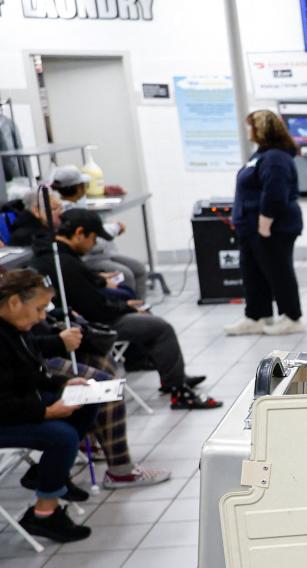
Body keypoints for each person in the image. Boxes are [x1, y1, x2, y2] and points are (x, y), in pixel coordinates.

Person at [34, 209, 220, 410]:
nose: (94, 245)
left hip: (84, 316)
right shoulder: (66, 263)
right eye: (94, 239)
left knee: (142, 312)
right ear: (80, 233)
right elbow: (94, 308)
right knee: (160, 327)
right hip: (90, 324)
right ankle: (178, 390)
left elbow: (85, 289)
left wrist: (115, 297)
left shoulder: (53, 255)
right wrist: (125, 308)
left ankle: (173, 377)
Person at [0, 269, 99, 543]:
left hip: (18, 404)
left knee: (86, 402)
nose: (43, 317)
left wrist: (63, 384)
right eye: (39, 309)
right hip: (6, 415)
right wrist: (46, 412)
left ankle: (49, 473)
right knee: (61, 436)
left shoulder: (15, 329)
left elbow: (30, 372)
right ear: (14, 302)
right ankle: (44, 515)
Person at [29, 311, 170, 489]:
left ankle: (88, 441)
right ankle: (120, 469)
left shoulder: (23, 321)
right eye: (39, 309)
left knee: (103, 362)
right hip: (34, 369)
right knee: (105, 389)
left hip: (39, 353)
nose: (41, 315)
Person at [226, 109, 305, 336]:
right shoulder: (261, 155)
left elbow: (275, 194)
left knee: (278, 271)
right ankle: (257, 316)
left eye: (251, 126)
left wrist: (264, 224)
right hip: (250, 226)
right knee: (253, 273)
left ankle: (292, 317)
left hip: (272, 227)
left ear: (261, 129)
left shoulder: (276, 158)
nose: (248, 130)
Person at [50, 165, 150, 299]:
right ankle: (128, 310)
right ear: (79, 187)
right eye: (83, 185)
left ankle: (141, 307)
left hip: (102, 253)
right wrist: (115, 229)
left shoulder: (78, 204)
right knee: (125, 275)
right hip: (88, 256)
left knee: (138, 268)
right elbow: (91, 241)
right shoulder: (67, 212)